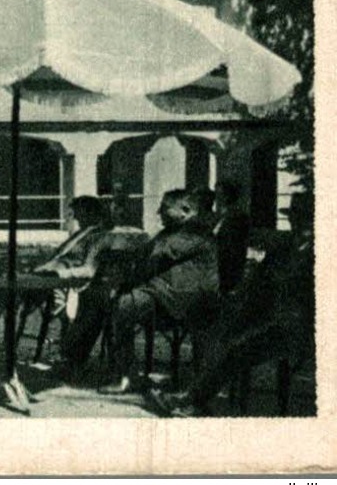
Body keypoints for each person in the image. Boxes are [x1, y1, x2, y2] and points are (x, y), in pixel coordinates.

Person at [151, 194, 314, 417]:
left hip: (300, 326)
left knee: (239, 347)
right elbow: (259, 283)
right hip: (270, 316)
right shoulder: (284, 247)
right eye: (295, 217)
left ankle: (194, 400)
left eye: (303, 218)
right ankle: (194, 396)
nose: (297, 223)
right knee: (221, 330)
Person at [61, 188, 218, 393]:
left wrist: (110, 260)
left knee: (123, 304)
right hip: (167, 295)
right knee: (101, 296)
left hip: (187, 299)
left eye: (164, 208)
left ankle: (125, 376)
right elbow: (143, 254)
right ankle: (77, 358)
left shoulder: (193, 231)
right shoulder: (172, 231)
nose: (158, 213)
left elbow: (149, 256)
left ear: (185, 210)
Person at [0, 195, 115, 363]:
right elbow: (58, 257)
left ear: (91, 213)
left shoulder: (99, 237)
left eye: (77, 212)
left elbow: (88, 269)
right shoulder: (79, 234)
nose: (73, 217)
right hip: (44, 279)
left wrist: (57, 273)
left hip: (60, 285)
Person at [212, 178, 252, 294]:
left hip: (230, 262)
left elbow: (233, 243)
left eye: (220, 194)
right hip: (221, 262)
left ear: (228, 196)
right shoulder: (222, 216)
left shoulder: (237, 216)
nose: (216, 198)